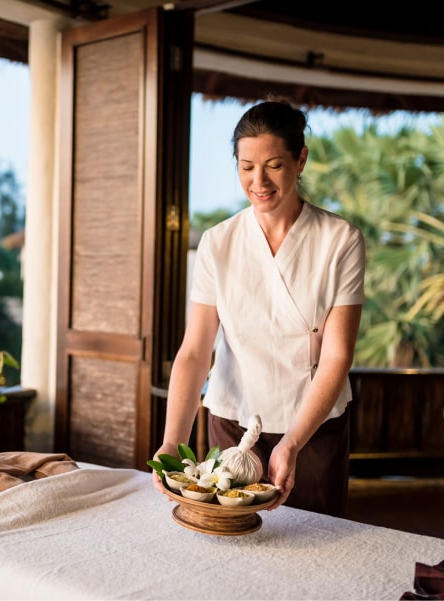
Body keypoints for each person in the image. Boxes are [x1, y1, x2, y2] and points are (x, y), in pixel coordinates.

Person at [152, 98, 366, 518]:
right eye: (246, 166)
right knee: (231, 546)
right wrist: (172, 440)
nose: (258, 181)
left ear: (300, 159)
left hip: (312, 427)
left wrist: (292, 443)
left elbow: (337, 355)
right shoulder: (218, 242)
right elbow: (195, 352)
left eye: (273, 165)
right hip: (232, 420)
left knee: (315, 547)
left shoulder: (340, 240)